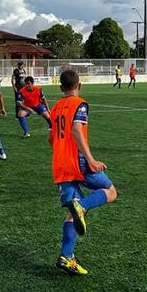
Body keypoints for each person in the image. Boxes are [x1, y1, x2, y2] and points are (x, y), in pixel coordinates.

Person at [49, 69, 117, 276]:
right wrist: (90, 159)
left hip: (60, 164)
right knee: (111, 191)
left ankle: (66, 257)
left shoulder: (55, 108)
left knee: (71, 213)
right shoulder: (80, 104)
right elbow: (76, 130)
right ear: (80, 85)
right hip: (77, 161)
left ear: (61, 87)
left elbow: (50, 139)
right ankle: (82, 205)